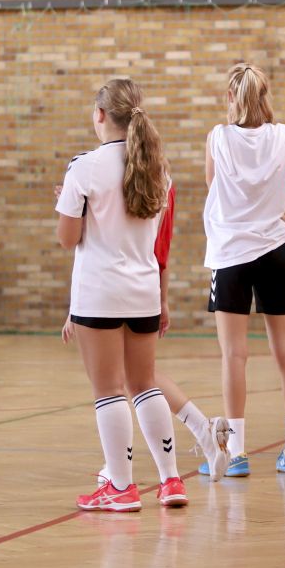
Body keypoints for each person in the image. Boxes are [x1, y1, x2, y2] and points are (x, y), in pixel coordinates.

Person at [202, 64, 285, 477]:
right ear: (265, 96)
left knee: (234, 355)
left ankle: (236, 451)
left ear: (231, 97)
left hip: (230, 254)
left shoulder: (218, 137)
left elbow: (212, 188)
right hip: (274, 251)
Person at [56, 78, 184, 511]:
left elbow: (67, 238)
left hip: (99, 292)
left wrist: (71, 207)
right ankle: (171, 481)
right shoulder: (158, 168)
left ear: (100, 115)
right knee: (144, 385)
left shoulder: (84, 167)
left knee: (109, 390)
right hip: (143, 290)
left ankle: (121, 487)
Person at [61, 181, 233, 483]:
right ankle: (197, 434)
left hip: (108, 290)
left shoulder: (98, 171)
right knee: (135, 377)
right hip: (141, 288)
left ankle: (125, 469)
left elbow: (89, 241)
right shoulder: (160, 176)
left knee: (124, 381)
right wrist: (161, 298)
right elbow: (159, 249)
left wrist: (74, 207)